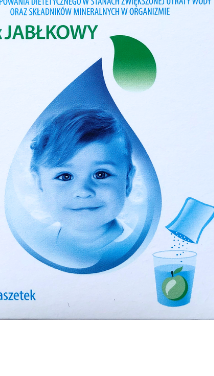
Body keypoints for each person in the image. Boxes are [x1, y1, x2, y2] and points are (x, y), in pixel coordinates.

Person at [30, 107, 136, 264]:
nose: (83, 191)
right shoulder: (35, 245)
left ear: (127, 181)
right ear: (39, 183)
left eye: (101, 174)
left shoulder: (141, 249)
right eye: (65, 176)